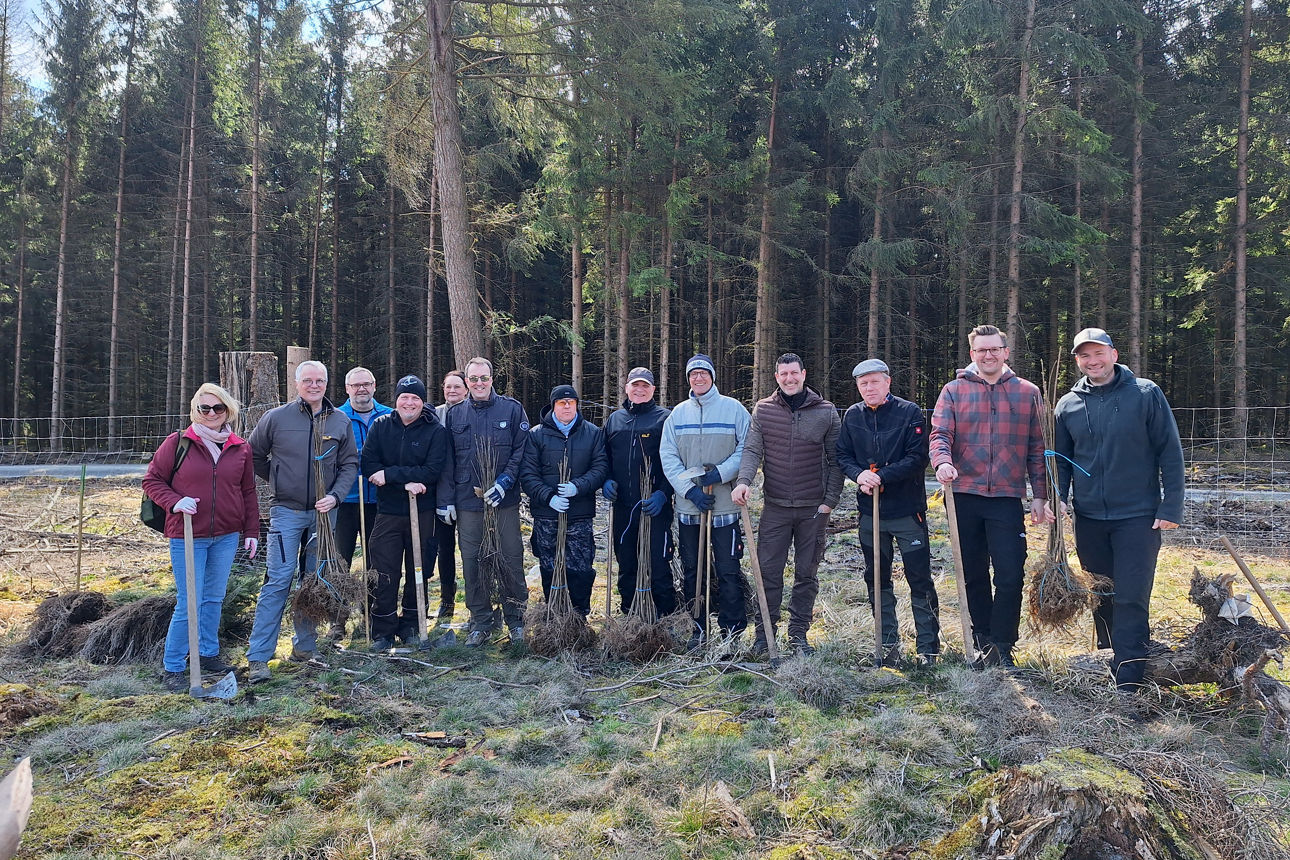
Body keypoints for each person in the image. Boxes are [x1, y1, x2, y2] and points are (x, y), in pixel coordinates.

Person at [1055, 328, 1184, 692]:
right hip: (1090, 517)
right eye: (1084, 356)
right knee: (1103, 592)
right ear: (1077, 361)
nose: (1092, 361)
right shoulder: (1068, 405)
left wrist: (1171, 504)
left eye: (1098, 353)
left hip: (1138, 516)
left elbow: (1169, 452)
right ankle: (1108, 656)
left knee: (1131, 594)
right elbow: (1062, 461)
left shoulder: (1145, 394)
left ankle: (1129, 679)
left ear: (1113, 354)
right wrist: (1059, 496)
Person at [929, 324, 1051, 668]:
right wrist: (942, 462)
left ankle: (1003, 643)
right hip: (964, 494)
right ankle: (981, 637)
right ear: (972, 355)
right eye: (981, 350)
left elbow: (1038, 448)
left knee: (1011, 573)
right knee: (972, 572)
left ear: (1005, 352)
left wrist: (1039, 496)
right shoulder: (953, 391)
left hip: (1007, 498)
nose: (988, 355)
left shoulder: (1028, 392)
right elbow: (940, 434)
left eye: (994, 349)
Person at [245, 360, 359, 682]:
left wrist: (335, 495)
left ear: (326, 383)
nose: (314, 385)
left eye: (319, 380)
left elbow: (349, 463)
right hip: (286, 513)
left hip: (325, 515)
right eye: (307, 380)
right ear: (296, 383)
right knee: (279, 580)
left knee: (313, 581)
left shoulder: (339, 421)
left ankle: (305, 647)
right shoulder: (276, 418)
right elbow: (253, 454)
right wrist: (279, 481)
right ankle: (258, 657)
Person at [144, 383, 260, 692]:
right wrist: (174, 501)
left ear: (228, 411)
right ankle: (173, 667)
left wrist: (251, 531)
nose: (210, 414)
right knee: (189, 601)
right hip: (187, 534)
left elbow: (247, 491)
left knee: (213, 598)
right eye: (203, 408)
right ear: (195, 410)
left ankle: (208, 654)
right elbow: (152, 480)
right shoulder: (178, 442)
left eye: (217, 408)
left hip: (226, 535)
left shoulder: (240, 447)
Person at [733, 353, 842, 656]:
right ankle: (763, 635)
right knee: (768, 572)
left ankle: (798, 636)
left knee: (807, 573)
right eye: (783, 374)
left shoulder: (826, 412)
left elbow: (837, 460)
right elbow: (752, 450)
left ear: (804, 374)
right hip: (776, 508)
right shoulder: (764, 410)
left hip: (813, 510)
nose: (789, 379)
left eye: (794, 373)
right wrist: (744, 482)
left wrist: (829, 502)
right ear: (777, 377)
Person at [836, 359, 940, 666]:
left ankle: (928, 649)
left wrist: (882, 475)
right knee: (877, 579)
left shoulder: (910, 413)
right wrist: (859, 475)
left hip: (908, 512)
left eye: (874, 382)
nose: (869, 388)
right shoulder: (853, 415)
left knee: (919, 579)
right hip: (870, 514)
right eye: (863, 384)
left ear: (887, 383)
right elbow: (842, 454)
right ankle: (887, 645)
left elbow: (917, 458)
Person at [435, 357, 531, 647]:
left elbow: (520, 451)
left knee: (511, 557)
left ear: (492, 379)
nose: (479, 383)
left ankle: (516, 619)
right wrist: (446, 499)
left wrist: (505, 482)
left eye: (484, 378)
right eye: (473, 379)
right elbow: (448, 460)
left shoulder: (511, 410)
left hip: (504, 501)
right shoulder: (454, 415)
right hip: (468, 501)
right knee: (473, 561)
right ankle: (480, 621)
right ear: (466, 382)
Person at [660, 354, 752, 646]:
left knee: (727, 569)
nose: (698, 378)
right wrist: (690, 492)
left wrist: (721, 474)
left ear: (712, 376)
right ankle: (697, 629)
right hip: (690, 509)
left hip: (725, 505)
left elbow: (747, 449)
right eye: (693, 374)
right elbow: (669, 457)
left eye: (703, 373)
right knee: (693, 571)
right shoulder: (678, 414)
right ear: (688, 379)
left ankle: (731, 632)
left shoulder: (733, 409)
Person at [361, 375, 451, 650]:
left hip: (422, 513)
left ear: (422, 402)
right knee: (385, 572)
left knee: (418, 569)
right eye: (404, 398)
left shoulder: (435, 431)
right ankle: (383, 630)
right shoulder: (381, 426)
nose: (409, 402)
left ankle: (412, 624)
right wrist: (399, 478)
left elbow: (432, 471)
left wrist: (389, 475)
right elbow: (368, 463)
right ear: (396, 400)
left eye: (415, 398)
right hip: (387, 512)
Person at [520, 385, 608, 614]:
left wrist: (577, 487)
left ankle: (579, 616)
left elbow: (600, 468)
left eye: (571, 402)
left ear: (577, 404)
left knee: (581, 568)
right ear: (553, 406)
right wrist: (548, 497)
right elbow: (528, 475)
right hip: (547, 515)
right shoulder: (536, 434)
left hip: (579, 514)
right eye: (561, 402)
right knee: (550, 566)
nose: (567, 406)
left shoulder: (592, 433)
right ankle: (555, 613)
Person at [602, 367, 676, 616]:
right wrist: (607, 480)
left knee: (658, 563)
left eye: (645, 385)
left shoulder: (665, 418)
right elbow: (605, 458)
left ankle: (665, 617)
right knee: (626, 563)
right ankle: (631, 615)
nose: (640, 389)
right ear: (626, 388)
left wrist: (663, 494)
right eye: (635, 385)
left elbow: (674, 462)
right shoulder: (615, 420)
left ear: (653, 389)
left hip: (655, 506)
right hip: (624, 507)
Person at [333, 366, 393, 641]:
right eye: (355, 385)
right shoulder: (336, 417)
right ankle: (337, 619)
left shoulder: (388, 416)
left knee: (375, 561)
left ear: (374, 385)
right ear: (347, 389)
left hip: (378, 502)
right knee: (340, 561)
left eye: (366, 384)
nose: (361, 390)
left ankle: (371, 614)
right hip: (345, 502)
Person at [431, 370, 469, 620]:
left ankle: (480, 603)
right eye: (448, 387)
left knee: (471, 549)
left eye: (457, 386)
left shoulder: (474, 413)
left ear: (466, 389)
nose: (452, 391)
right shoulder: (435, 415)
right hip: (439, 494)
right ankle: (447, 600)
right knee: (444, 549)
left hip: (468, 493)